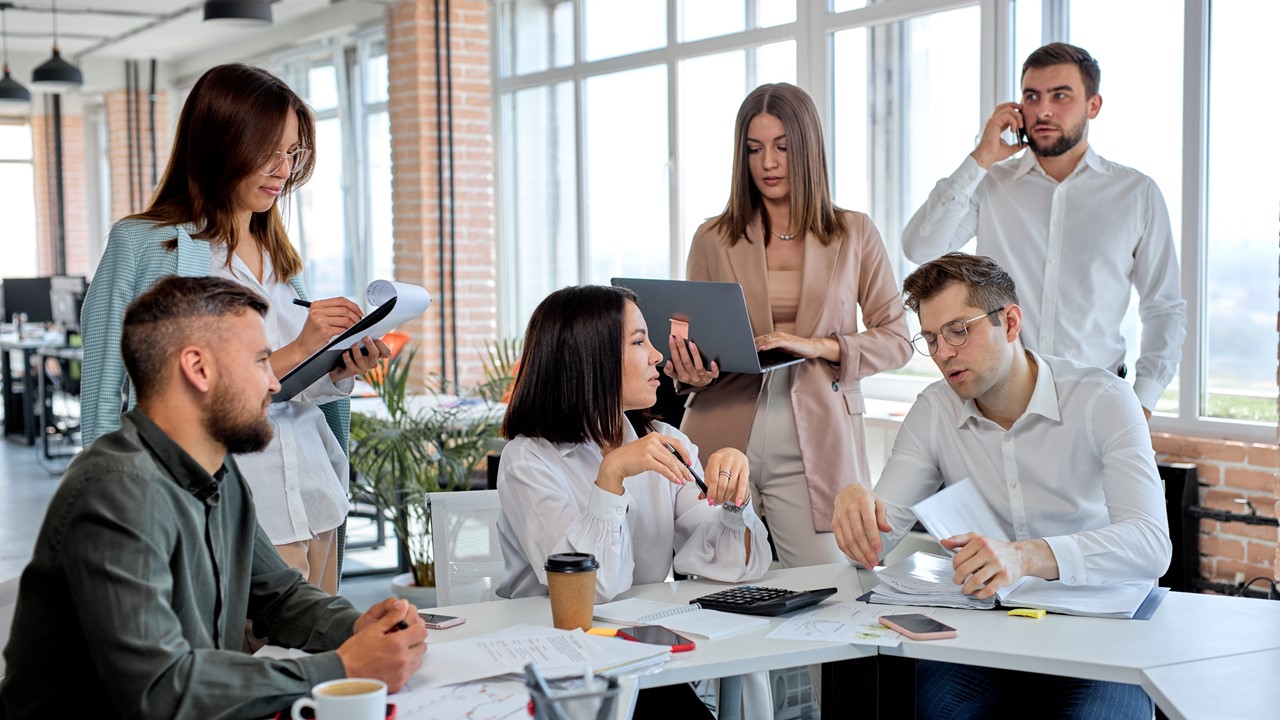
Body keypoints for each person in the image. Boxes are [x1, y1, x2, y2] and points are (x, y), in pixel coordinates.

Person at [0, 276, 427, 720]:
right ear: (198, 368)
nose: (274, 384)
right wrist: (343, 667)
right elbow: (159, 690)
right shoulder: (115, 492)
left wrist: (357, 626)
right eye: (260, 362)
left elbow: (278, 596)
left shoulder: (218, 472)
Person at [80, 63, 389, 594]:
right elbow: (105, 391)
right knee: (242, 650)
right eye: (269, 150)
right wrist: (111, 521)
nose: (283, 169)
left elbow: (290, 388)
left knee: (322, 648)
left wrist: (338, 369)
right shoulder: (145, 245)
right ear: (221, 141)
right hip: (235, 510)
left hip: (315, 499)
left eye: (292, 152)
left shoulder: (281, 257)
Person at [832, 253, 1171, 719]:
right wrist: (855, 505)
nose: (942, 353)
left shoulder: (1103, 400)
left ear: (1010, 322)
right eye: (930, 339)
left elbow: (1151, 544)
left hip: (1101, 631)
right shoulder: (934, 410)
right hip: (985, 631)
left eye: (957, 330)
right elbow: (874, 546)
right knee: (922, 707)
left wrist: (1025, 556)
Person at [670, 82, 912, 568]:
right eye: (754, 149)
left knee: (831, 580)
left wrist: (817, 346)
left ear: (807, 148)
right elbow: (689, 338)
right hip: (721, 430)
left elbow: (897, 340)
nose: (768, 163)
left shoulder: (854, 232)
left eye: (782, 147)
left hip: (816, 439)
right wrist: (688, 370)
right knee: (715, 583)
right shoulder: (712, 237)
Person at [901, 42, 1185, 418]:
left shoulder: (1136, 193)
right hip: (1001, 404)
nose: (1044, 110)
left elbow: (1164, 308)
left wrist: (1143, 403)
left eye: (1060, 96)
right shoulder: (989, 183)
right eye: (1032, 96)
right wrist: (981, 157)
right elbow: (920, 246)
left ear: (1093, 105)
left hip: (1097, 404)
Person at [495, 285, 770, 603]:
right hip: (549, 627)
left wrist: (734, 501)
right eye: (639, 342)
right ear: (591, 357)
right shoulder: (527, 460)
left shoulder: (666, 443)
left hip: (642, 623)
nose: (658, 356)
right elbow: (587, 590)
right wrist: (611, 474)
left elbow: (732, 566)